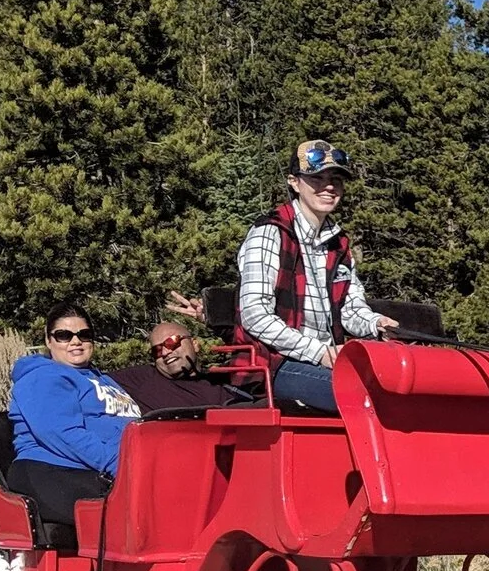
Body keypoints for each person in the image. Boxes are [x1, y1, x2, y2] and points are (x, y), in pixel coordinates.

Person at [234, 140, 399, 413]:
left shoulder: (338, 243)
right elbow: (255, 316)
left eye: (336, 179)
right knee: (364, 397)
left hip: (327, 361)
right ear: (294, 183)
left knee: (398, 391)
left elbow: (350, 308)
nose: (329, 186)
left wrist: (376, 324)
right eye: (317, 178)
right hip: (272, 365)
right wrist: (318, 352)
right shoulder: (270, 232)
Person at [7, 306, 141, 531]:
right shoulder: (42, 377)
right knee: (149, 508)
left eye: (84, 335)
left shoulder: (102, 379)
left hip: (105, 469)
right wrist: (123, 467)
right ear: (49, 341)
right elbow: (63, 434)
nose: (76, 341)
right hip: (55, 471)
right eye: (64, 335)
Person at [111, 317, 249, 415]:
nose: (165, 352)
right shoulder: (142, 380)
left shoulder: (225, 381)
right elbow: (92, 379)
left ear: (195, 344)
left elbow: (257, 353)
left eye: (171, 342)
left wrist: (221, 324)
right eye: (157, 350)